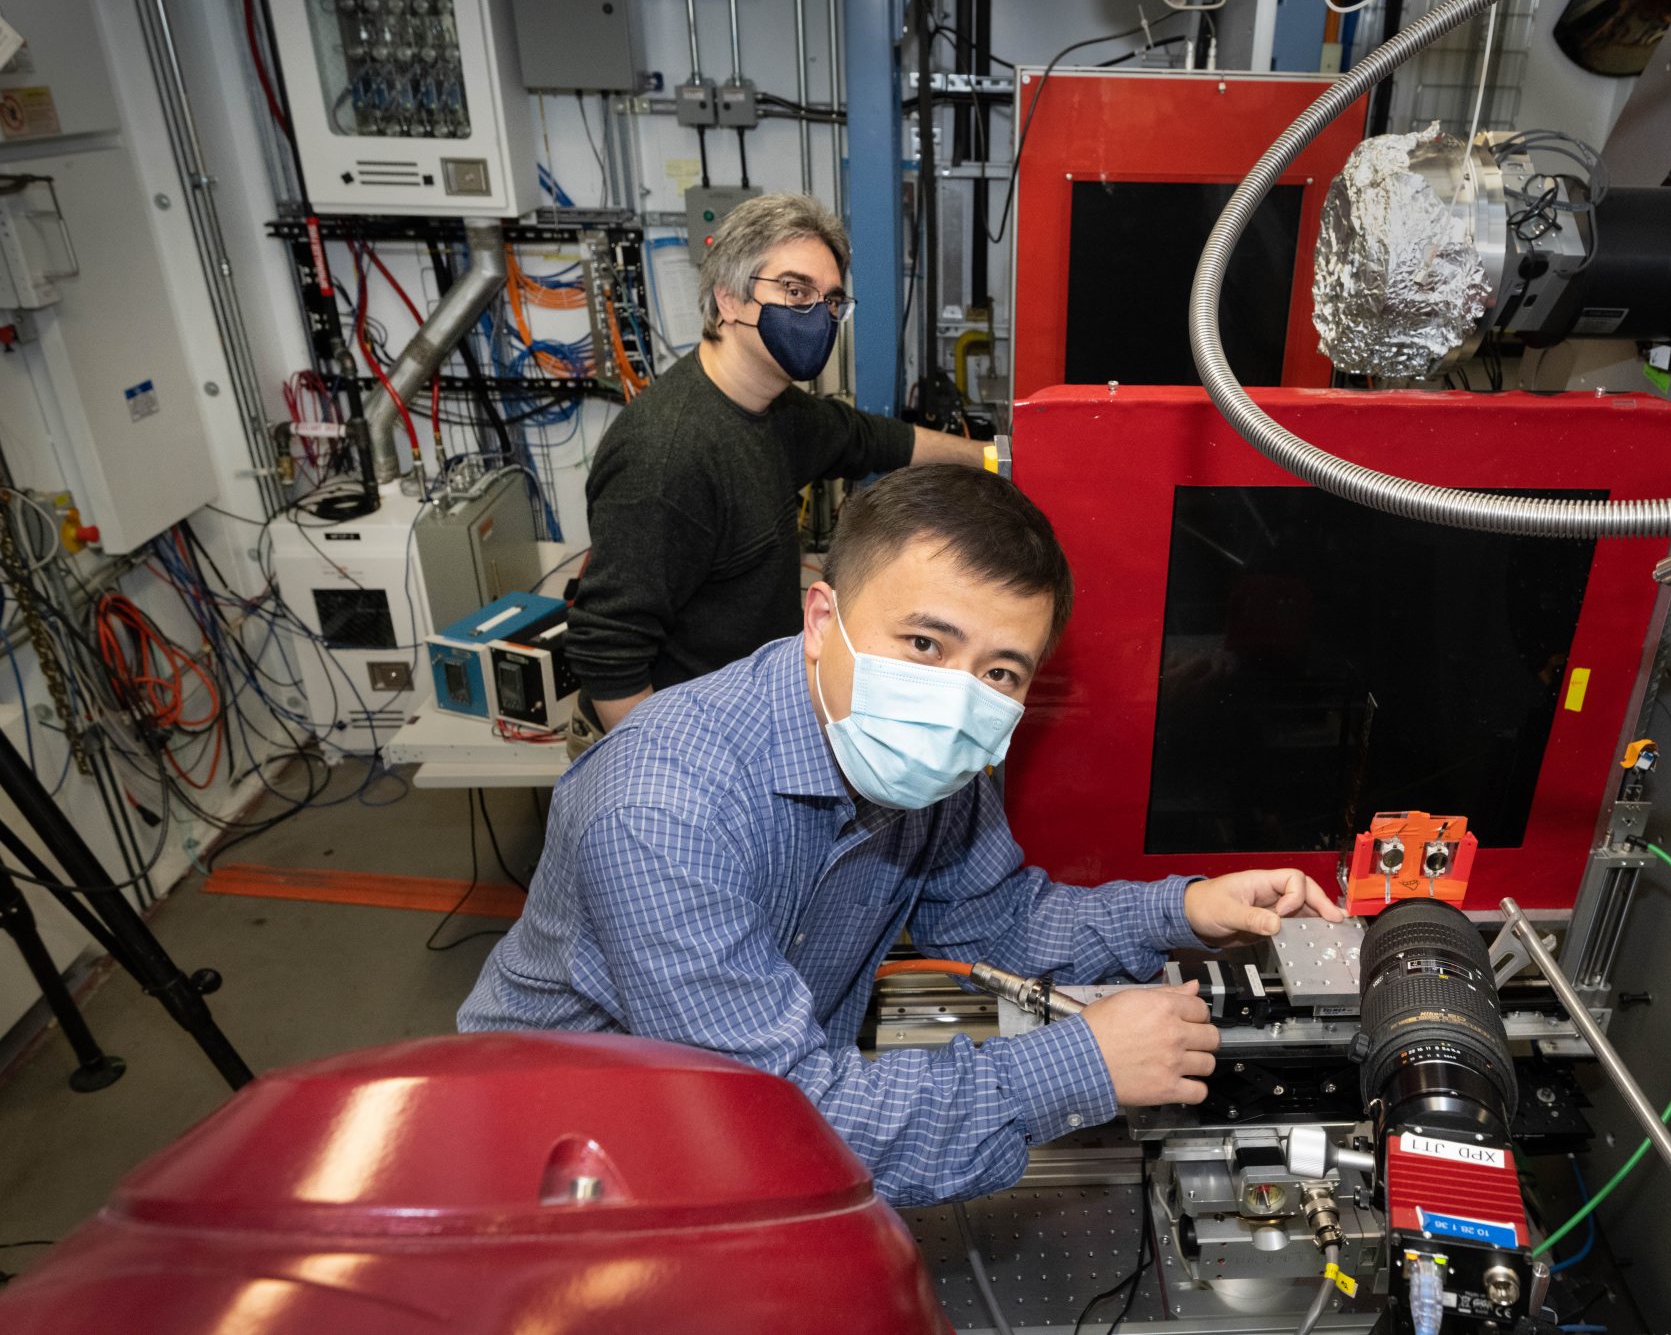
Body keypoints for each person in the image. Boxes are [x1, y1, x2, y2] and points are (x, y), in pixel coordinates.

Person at [461, 467, 1347, 1206]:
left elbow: (1003, 922)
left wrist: (1189, 909)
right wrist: (1084, 1061)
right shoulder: (663, 808)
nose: (959, 696)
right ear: (820, 621)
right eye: (925, 642)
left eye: (1001, 670)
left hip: (731, 1114)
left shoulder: (932, 764)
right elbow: (778, 1116)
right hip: (554, 1155)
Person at [565, 193, 986, 751]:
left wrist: (989, 457)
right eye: (795, 291)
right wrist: (679, 781)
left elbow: (866, 438)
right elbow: (609, 650)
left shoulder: (774, 410)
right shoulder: (667, 455)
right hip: (675, 745)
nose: (818, 315)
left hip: (739, 715)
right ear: (729, 299)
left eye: (831, 300)